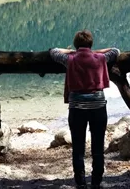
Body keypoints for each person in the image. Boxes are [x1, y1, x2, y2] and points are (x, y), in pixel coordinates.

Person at [50, 30, 120, 189]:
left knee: (78, 148)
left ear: (76, 45)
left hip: (77, 108)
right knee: (98, 147)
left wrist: (71, 51)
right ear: (91, 44)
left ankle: (81, 183)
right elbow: (116, 51)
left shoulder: (70, 59)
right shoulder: (101, 58)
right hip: (98, 106)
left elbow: (53, 51)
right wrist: (95, 51)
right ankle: (96, 182)